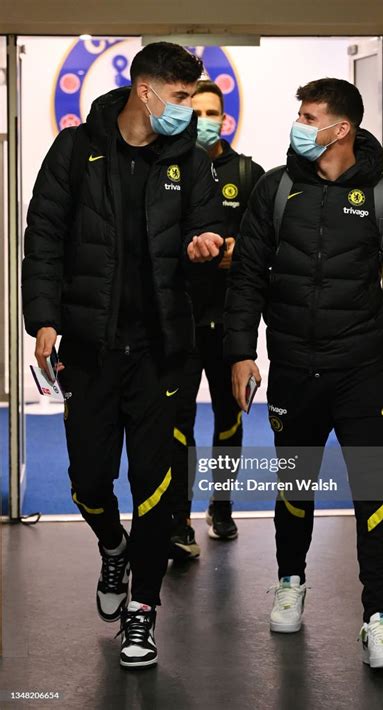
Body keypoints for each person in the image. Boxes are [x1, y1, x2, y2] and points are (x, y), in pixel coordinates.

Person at [224, 78, 383, 669]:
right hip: (294, 368)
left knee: (374, 493)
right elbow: (246, 278)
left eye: (309, 115)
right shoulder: (276, 188)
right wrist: (241, 352)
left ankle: (378, 620)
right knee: (295, 487)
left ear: (340, 129)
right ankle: (290, 582)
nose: (299, 123)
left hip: (362, 372)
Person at [22, 42, 224, 669]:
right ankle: (113, 544)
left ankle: (142, 611)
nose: (189, 110)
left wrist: (208, 243)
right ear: (147, 91)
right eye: (182, 97)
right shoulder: (76, 151)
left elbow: (209, 223)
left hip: (163, 350)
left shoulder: (189, 160)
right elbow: (45, 237)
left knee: (156, 485)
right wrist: (44, 319)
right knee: (87, 480)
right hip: (91, 346)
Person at [168, 79, 264, 558]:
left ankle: (221, 505)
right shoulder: (169, 169)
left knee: (229, 418)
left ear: (224, 118)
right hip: (180, 321)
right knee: (178, 423)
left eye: (212, 113)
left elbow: (270, 242)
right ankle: (178, 516)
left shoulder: (248, 174)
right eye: (196, 111)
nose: (205, 120)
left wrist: (238, 250)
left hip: (231, 322)